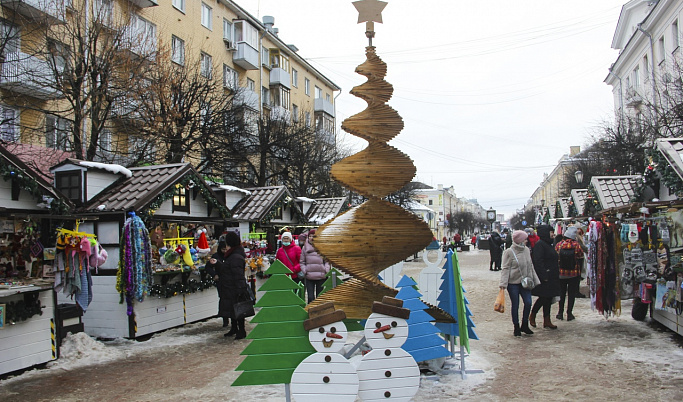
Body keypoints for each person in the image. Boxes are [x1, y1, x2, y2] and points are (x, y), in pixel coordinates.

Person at [205, 232, 250, 339]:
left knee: (238, 310)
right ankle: (234, 328)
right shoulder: (233, 255)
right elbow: (229, 269)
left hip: (234, 287)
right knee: (232, 309)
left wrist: (240, 288)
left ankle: (241, 330)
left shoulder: (235, 256)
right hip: (230, 286)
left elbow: (237, 274)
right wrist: (218, 264)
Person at [500, 230, 540, 336]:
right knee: (515, 304)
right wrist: (503, 284)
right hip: (513, 283)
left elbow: (530, 266)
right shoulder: (509, 252)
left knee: (528, 302)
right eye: (525, 239)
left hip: (525, 282)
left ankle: (525, 324)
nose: (527, 241)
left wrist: (535, 280)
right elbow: (505, 268)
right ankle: (516, 327)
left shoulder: (526, 250)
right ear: (520, 240)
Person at [529, 225, 560, 329]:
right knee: (543, 297)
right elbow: (538, 261)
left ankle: (547, 320)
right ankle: (532, 315)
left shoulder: (548, 244)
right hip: (545, 277)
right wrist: (544, 275)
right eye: (551, 232)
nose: (553, 234)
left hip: (552, 276)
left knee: (548, 298)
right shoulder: (540, 245)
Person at [555, 226, 584, 321]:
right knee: (571, 294)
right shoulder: (576, 245)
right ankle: (569, 313)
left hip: (561, 273)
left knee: (562, 293)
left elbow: (555, 258)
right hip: (573, 274)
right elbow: (580, 258)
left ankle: (560, 313)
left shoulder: (559, 245)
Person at [299, 229, 330, 303]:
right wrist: (305, 270)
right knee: (310, 297)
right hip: (309, 276)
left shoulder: (323, 247)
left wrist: (326, 270)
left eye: (314, 236)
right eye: (310, 236)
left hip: (321, 275)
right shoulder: (304, 248)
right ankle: (310, 311)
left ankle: (319, 312)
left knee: (319, 297)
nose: (311, 237)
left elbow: (327, 261)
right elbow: (302, 261)